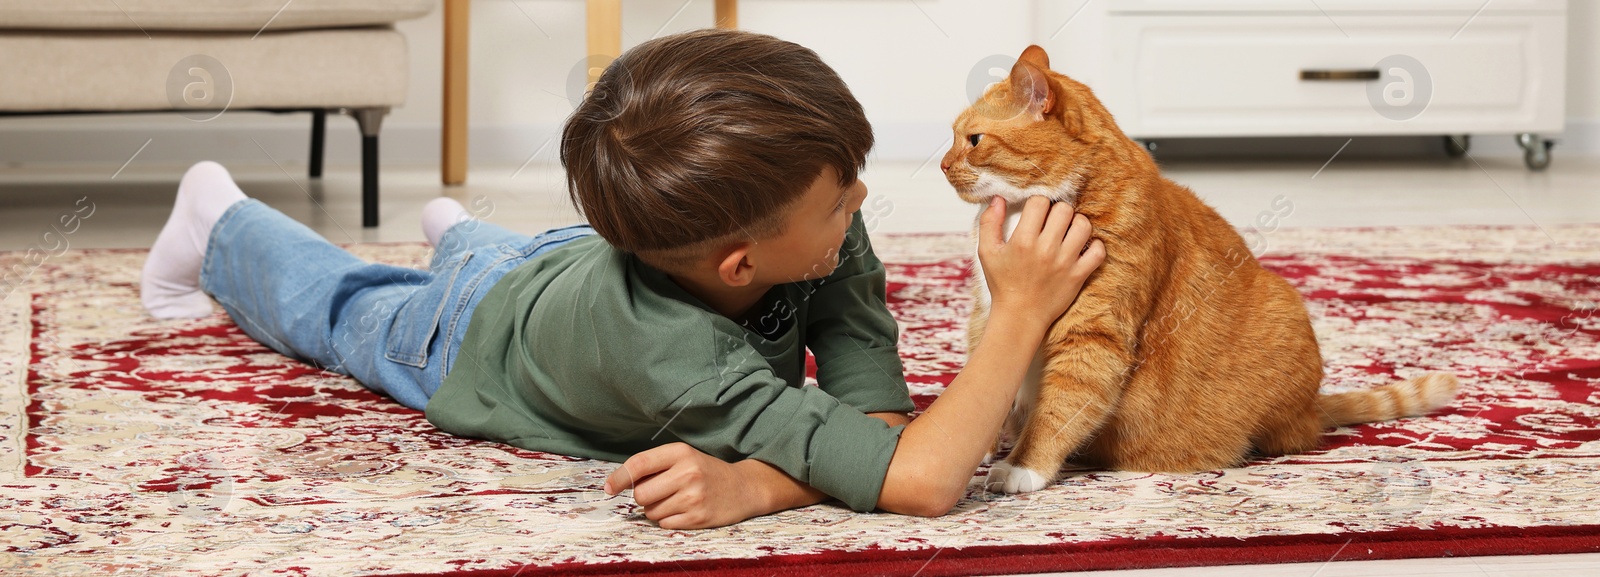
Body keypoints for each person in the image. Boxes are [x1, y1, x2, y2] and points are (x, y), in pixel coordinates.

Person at [139, 28, 1104, 530]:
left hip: (564, 260)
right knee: (343, 307)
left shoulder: (802, 218)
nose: (863, 198)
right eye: (843, 201)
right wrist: (1021, 308)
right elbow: (924, 480)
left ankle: (466, 241)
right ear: (741, 262)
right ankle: (218, 218)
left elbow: (875, 413)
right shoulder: (680, 357)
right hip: (469, 339)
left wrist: (758, 485)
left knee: (497, 254)